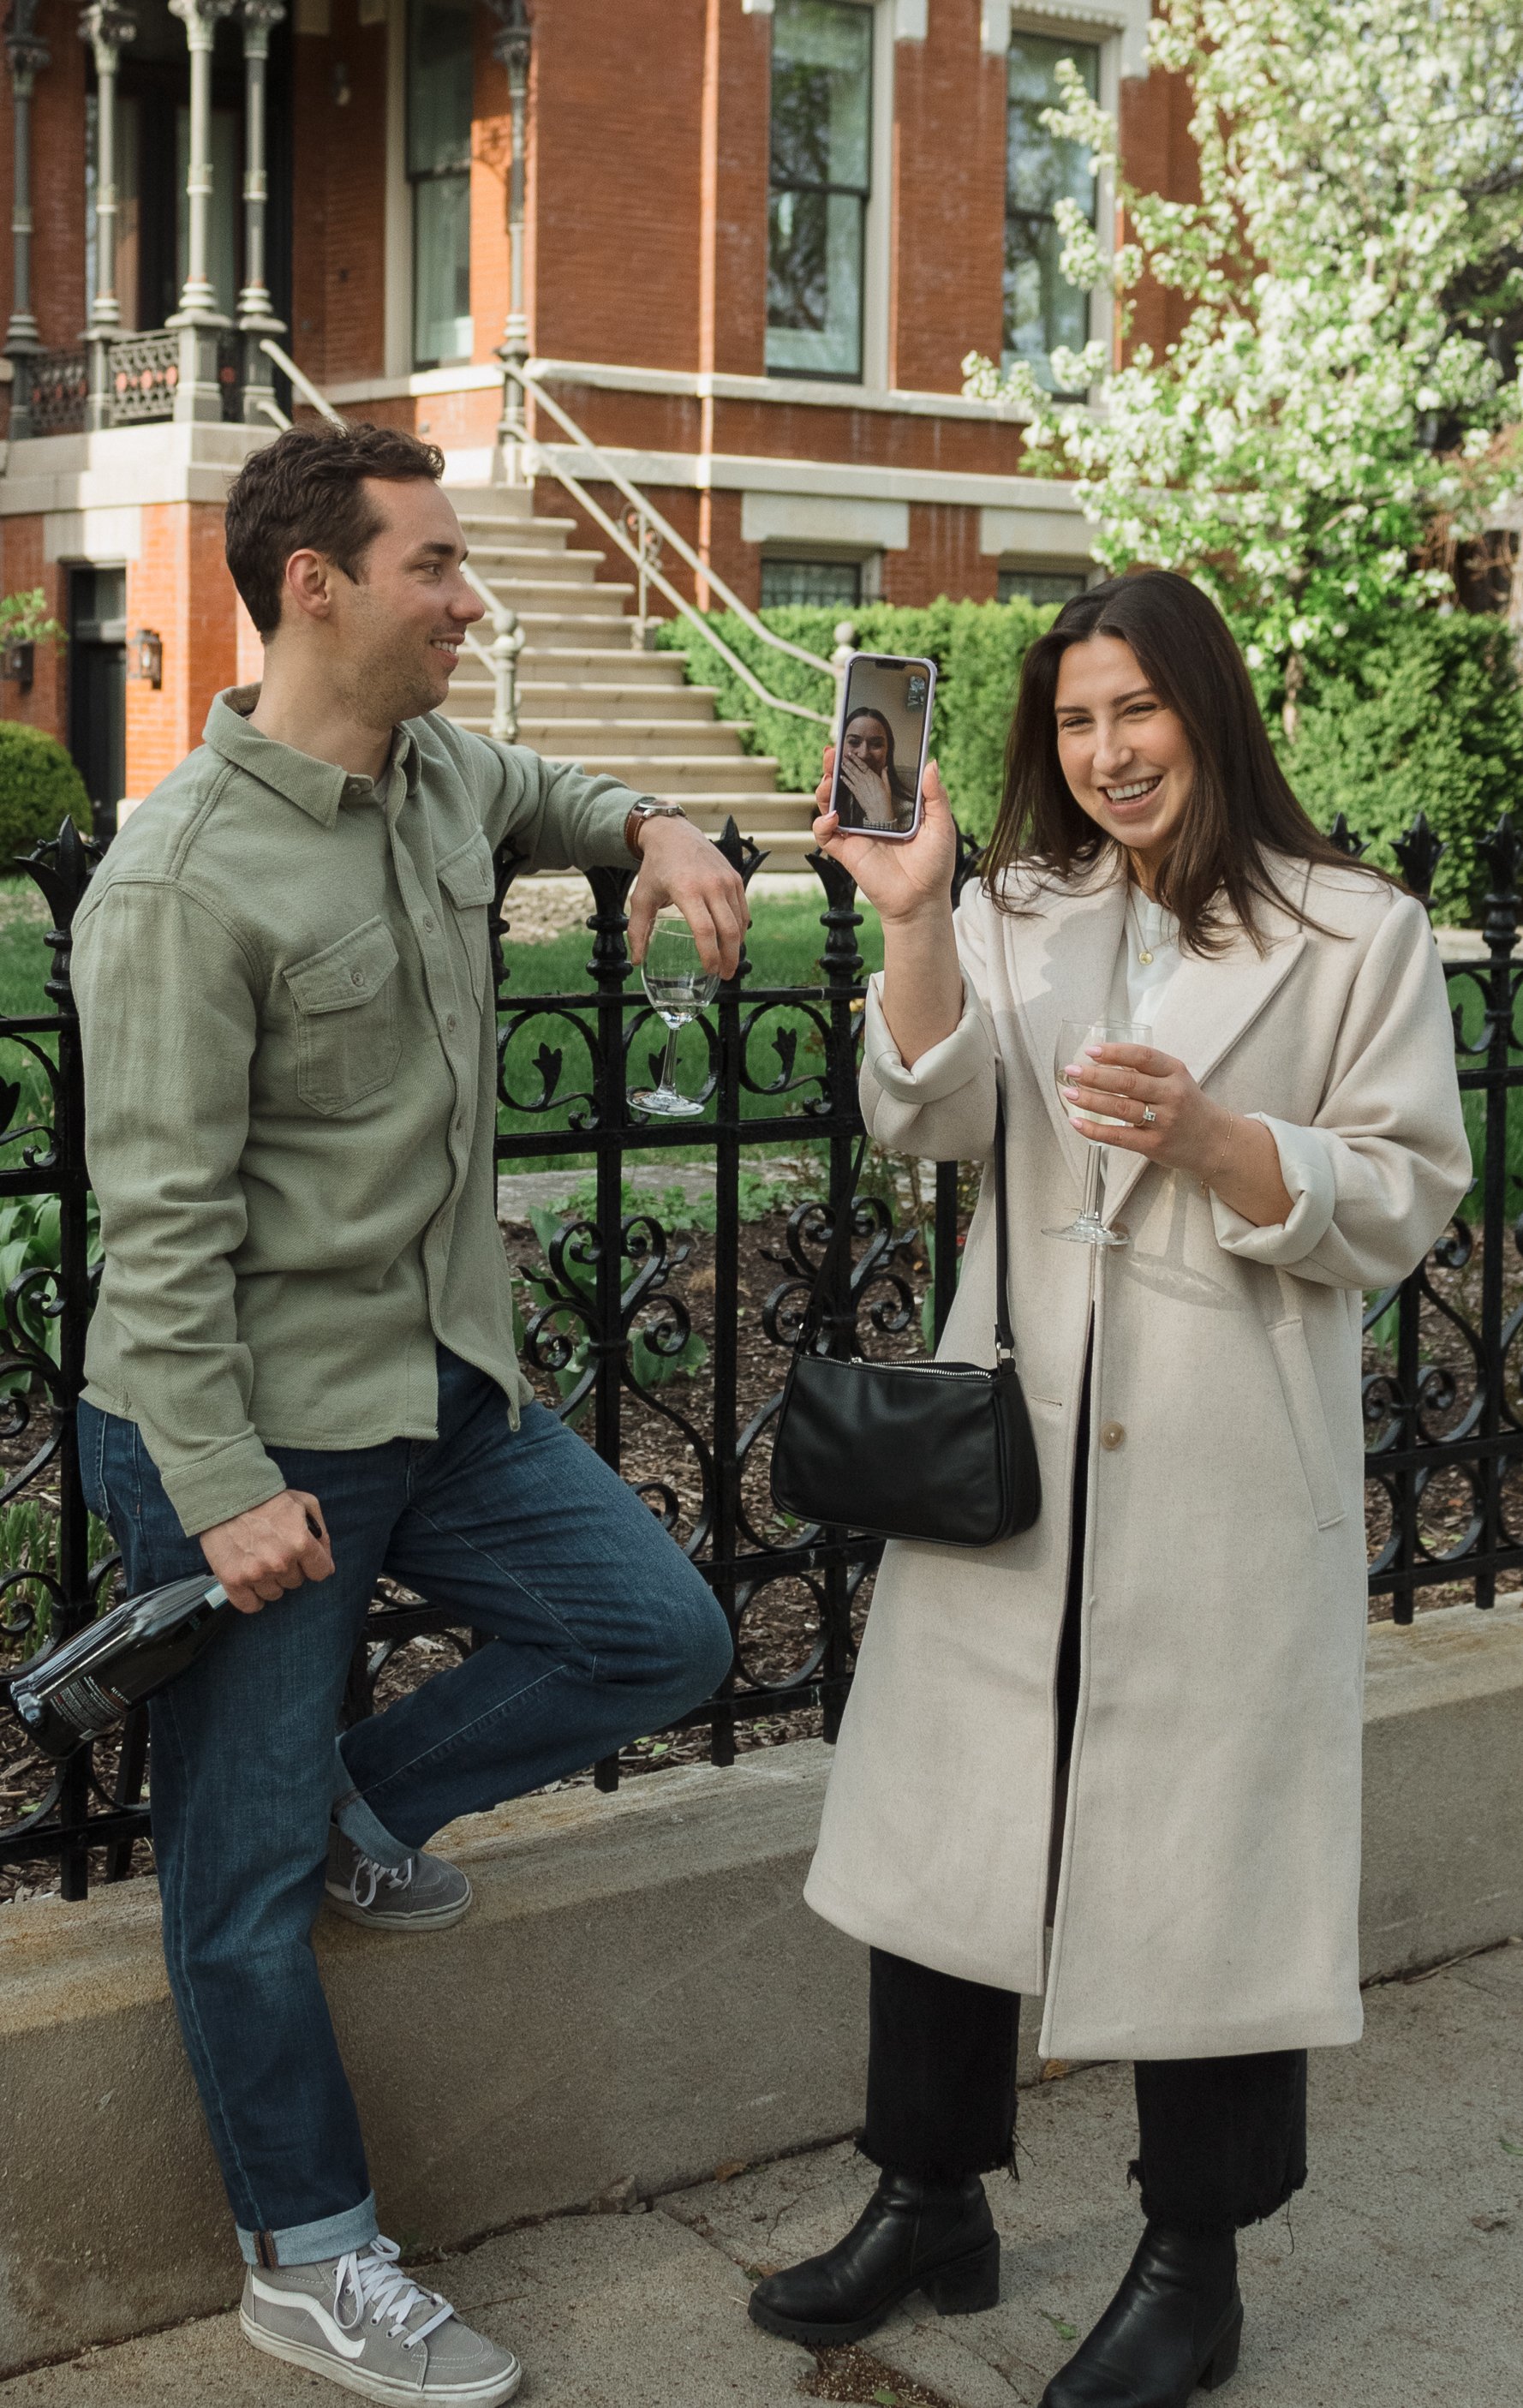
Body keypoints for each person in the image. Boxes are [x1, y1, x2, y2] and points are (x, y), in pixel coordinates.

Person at [69, 421, 742, 2408]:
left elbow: (547, 789)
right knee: (241, 1886)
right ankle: (310, 2253)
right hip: (256, 1435)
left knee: (663, 1631)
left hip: (443, 1388)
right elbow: (160, 1231)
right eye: (440, 565)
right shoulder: (185, 877)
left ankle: (374, 1799)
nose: (475, 597)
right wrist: (214, 1492)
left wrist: (656, 830)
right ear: (315, 587)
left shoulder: (442, 771)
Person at [746, 571, 1469, 2406]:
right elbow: (921, 1110)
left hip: (1224, 1459)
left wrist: (1229, 1144)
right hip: (1019, 1443)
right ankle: (927, 2198)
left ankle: (1194, 2263)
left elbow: (1406, 1195)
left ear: (1203, 709)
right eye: (1072, 722)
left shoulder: (1351, 931)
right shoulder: (1018, 907)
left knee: (1203, 1862)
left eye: (1132, 710)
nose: (1104, 751)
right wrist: (913, 919)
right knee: (954, 1833)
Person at [839, 706, 918, 830]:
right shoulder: (831, 795)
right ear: (840, 746)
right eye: (854, 742)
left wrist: (882, 816)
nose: (864, 754)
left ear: (888, 751)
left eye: (876, 744)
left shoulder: (910, 808)